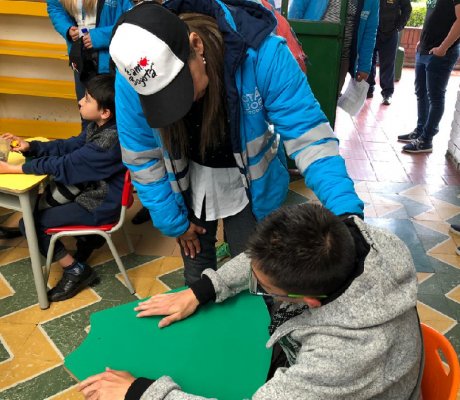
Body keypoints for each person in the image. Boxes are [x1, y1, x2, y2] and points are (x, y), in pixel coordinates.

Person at [109, 1, 364, 286]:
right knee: (196, 273)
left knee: (258, 272)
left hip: (252, 186)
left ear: (196, 45)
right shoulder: (134, 72)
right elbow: (142, 156)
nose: (177, 105)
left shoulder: (262, 53)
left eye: (180, 86)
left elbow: (310, 137)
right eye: (161, 99)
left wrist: (346, 213)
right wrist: (173, 221)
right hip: (189, 183)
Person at [78, 203, 423, 400]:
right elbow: (261, 258)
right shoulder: (349, 236)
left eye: (264, 288)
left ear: (309, 301)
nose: (253, 281)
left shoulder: (343, 355)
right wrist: (203, 290)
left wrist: (141, 393)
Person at [0, 75, 126, 302]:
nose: (80, 101)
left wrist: (13, 169)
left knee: (30, 223)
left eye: (87, 100)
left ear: (105, 112)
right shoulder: (101, 126)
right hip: (94, 193)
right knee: (38, 206)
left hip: (99, 203)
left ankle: (76, 270)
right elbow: (68, 146)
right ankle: (87, 240)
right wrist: (32, 146)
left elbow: (66, 163)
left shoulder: (108, 140)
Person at [46, 0, 131, 123]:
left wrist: (98, 36)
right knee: (87, 114)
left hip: (112, 62)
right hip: (81, 59)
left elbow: (132, 21)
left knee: (114, 116)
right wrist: (67, 29)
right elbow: (55, 8)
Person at [398, 0, 460, 153]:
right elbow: (435, 17)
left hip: (441, 52)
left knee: (435, 97)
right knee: (421, 93)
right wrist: (421, 40)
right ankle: (420, 131)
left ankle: (426, 140)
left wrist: (443, 48)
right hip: (425, 48)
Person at [366, 0, 412, 105]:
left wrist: (399, 27)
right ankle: (368, 89)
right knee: (368, 60)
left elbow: (407, 9)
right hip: (372, 30)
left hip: (390, 33)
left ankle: (387, 93)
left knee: (388, 63)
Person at [337, 0, 379, 94]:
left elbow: (369, 33)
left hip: (343, 57)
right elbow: (299, 9)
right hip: (313, 50)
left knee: (330, 100)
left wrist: (364, 66)